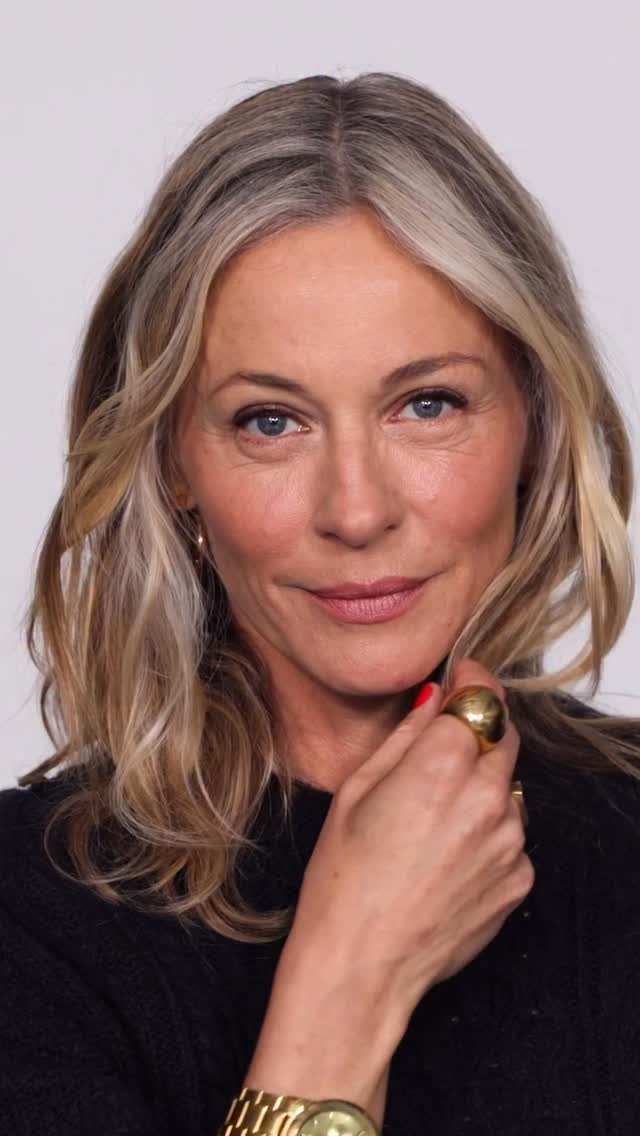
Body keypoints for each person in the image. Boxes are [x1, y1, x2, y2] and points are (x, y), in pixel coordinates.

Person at [1, 70, 639, 1136]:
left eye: (426, 403)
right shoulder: (27, 924)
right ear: (171, 461)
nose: (357, 510)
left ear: (533, 417)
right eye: (270, 421)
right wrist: (347, 982)